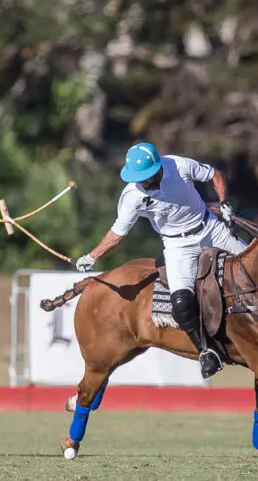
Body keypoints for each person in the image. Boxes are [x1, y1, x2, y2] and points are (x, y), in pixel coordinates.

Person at [74, 142, 246, 378]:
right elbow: (117, 233)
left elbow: (214, 174)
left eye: (146, 177)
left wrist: (224, 202)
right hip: (178, 246)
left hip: (211, 229)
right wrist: (91, 256)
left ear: (158, 167)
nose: (143, 182)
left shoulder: (179, 165)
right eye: (138, 178)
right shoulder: (132, 196)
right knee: (180, 303)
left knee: (254, 267)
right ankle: (207, 351)